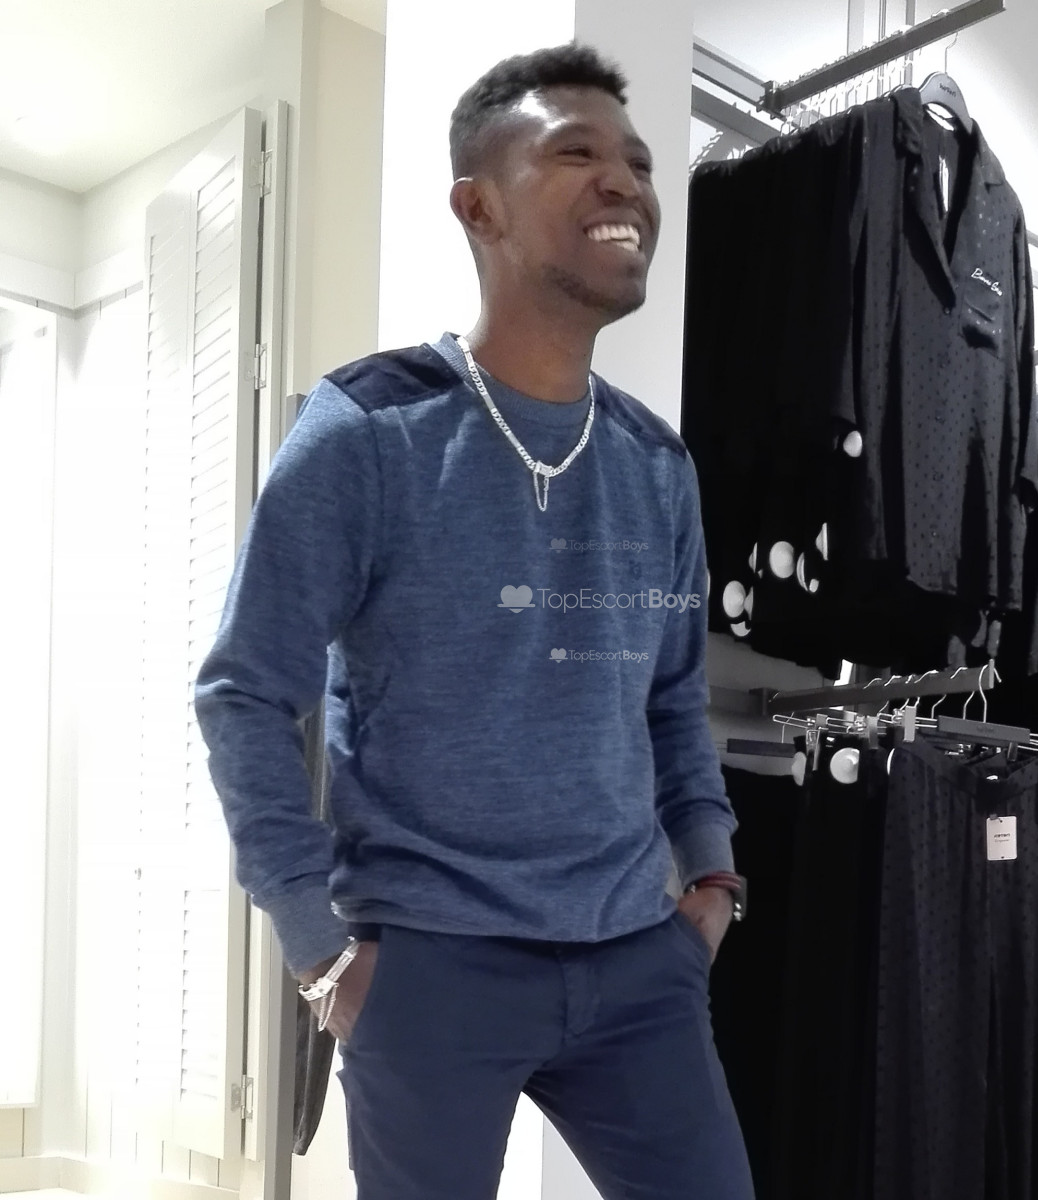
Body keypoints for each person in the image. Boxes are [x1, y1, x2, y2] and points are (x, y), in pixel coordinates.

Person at [194, 41, 754, 1200]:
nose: (627, 181)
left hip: (638, 965)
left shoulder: (657, 463)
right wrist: (319, 951)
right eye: (577, 152)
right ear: (478, 206)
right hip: (430, 970)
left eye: (640, 161)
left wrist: (712, 877)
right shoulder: (370, 428)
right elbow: (245, 691)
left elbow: (668, 697)